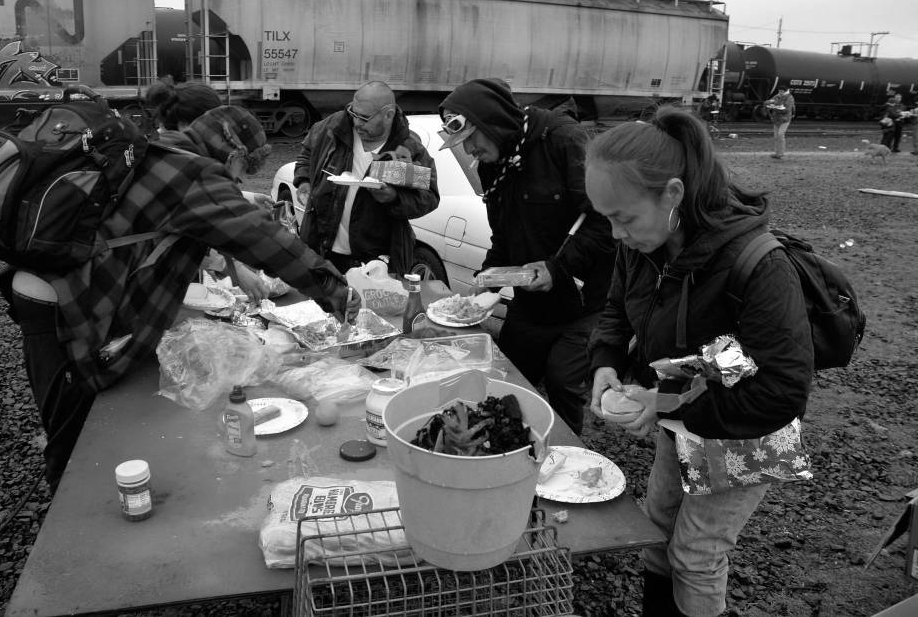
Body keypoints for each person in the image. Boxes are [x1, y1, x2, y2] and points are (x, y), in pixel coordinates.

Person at [1, 98, 361, 494]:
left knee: (76, 402)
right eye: (246, 169)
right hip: (64, 300)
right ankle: (67, 513)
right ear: (236, 152)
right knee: (73, 418)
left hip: (51, 289)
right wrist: (335, 289)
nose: (240, 180)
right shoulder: (193, 174)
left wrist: (233, 213)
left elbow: (178, 217)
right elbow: (265, 241)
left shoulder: (162, 150)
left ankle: (88, 487)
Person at [584, 106, 813, 616]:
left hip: (748, 427)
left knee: (696, 553)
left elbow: (780, 394)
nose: (615, 234)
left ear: (672, 195)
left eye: (622, 217)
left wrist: (666, 404)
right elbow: (616, 309)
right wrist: (604, 361)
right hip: (681, 413)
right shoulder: (644, 243)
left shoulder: (759, 264)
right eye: (606, 219)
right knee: (657, 531)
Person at [438, 78, 617, 436]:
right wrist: (488, 280)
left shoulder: (565, 141)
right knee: (509, 378)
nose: (470, 150)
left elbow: (605, 221)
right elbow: (503, 232)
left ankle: (566, 458)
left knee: (564, 382)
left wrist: (559, 267)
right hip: (528, 303)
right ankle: (508, 448)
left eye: (472, 138)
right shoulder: (494, 161)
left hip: (581, 303)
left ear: (493, 123)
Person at [293, 81, 440, 275]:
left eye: (364, 118)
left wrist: (394, 198)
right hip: (320, 252)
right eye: (353, 114)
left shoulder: (408, 149)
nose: (356, 123)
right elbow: (307, 152)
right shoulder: (334, 127)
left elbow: (429, 197)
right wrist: (304, 181)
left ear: (388, 115)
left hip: (375, 263)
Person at [145, 78, 272, 302]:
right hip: (154, 279)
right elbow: (195, 224)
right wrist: (234, 269)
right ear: (192, 122)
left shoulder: (170, 149)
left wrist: (247, 197)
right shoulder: (175, 158)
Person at [763, 85, 795, 160]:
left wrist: (775, 107)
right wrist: (768, 103)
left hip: (785, 119)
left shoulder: (789, 97)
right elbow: (769, 102)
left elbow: (786, 109)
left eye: (781, 91)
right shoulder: (776, 96)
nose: (780, 92)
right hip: (776, 119)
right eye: (779, 91)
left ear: (785, 91)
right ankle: (777, 153)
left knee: (780, 134)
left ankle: (781, 153)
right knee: (776, 136)